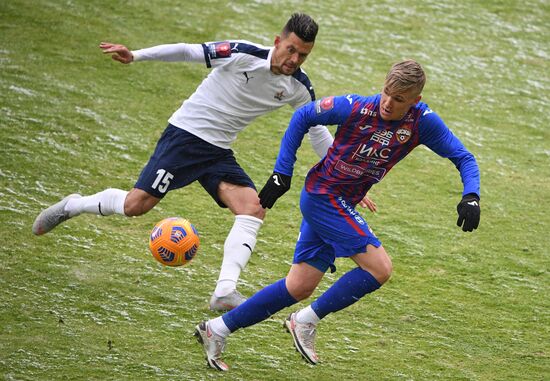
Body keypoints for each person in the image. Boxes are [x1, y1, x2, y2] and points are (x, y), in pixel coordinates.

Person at [32, 13, 337, 311]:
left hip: (218, 152)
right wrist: (135, 55)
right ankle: (74, 204)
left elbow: (317, 130)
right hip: (185, 137)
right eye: (291, 50)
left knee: (253, 208)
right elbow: (189, 51)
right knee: (135, 206)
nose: (294, 60)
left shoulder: (299, 87)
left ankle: (224, 291)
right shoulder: (242, 53)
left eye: (303, 55)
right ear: (277, 42)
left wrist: (343, 175)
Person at [194, 59, 480, 371]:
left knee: (299, 286)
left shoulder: (422, 123)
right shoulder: (357, 108)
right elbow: (304, 114)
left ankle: (217, 328)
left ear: (415, 101)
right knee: (380, 269)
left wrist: (472, 195)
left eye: (398, 99)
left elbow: (463, 156)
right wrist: (281, 173)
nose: (388, 102)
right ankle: (304, 321)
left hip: (341, 202)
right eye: (386, 92)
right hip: (323, 198)